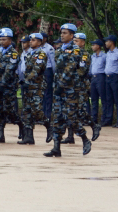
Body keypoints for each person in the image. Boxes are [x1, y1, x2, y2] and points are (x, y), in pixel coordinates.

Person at [44, 24, 92, 157]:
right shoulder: (59, 50)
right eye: (61, 33)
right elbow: (57, 69)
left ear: (72, 36)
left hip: (70, 89)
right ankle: (56, 147)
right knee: (57, 118)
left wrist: (61, 84)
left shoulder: (75, 50)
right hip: (59, 89)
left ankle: (85, 139)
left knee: (70, 117)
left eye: (65, 33)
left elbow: (70, 69)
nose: (62, 35)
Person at [18, 33, 47, 145]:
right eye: (30, 40)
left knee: (37, 110)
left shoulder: (41, 54)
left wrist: (26, 80)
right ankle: (29, 137)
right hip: (28, 86)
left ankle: (48, 125)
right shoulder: (29, 54)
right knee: (27, 111)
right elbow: (25, 70)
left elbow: (36, 70)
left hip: (36, 87)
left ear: (39, 42)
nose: (31, 42)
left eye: (34, 40)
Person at [104, 34, 118, 127]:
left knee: (117, 100)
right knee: (109, 99)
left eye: (107, 41)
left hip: (115, 77)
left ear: (111, 42)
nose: (105, 43)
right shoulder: (108, 53)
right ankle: (109, 119)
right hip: (107, 77)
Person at [89, 39, 107, 125]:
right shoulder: (92, 56)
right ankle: (94, 118)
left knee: (103, 98)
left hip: (101, 77)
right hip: (93, 77)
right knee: (94, 99)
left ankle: (104, 119)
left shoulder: (104, 56)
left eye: (94, 45)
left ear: (98, 46)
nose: (92, 46)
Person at [41, 34, 56, 121]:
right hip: (40, 71)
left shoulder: (49, 48)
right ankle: (42, 114)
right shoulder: (37, 48)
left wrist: (53, 73)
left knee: (48, 94)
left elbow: (53, 62)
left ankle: (48, 115)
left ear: (45, 39)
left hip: (48, 70)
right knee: (41, 94)